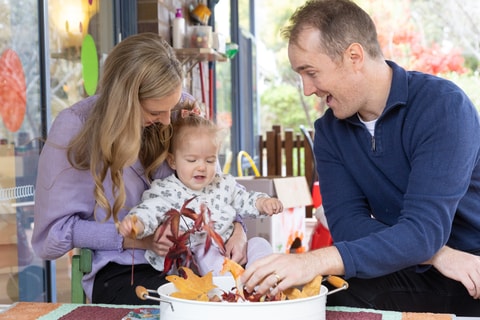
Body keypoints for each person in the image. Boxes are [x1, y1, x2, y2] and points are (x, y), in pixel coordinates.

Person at [241, 0, 480, 316]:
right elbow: (348, 228)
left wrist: (311, 260)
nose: (307, 88)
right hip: (411, 263)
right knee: (327, 295)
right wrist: (438, 254)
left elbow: (424, 230)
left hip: (473, 268)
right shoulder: (329, 132)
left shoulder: (443, 107)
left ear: (354, 57)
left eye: (311, 73)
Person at [31, 32, 249, 305]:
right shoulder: (75, 127)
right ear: (125, 102)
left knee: (251, 294)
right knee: (190, 307)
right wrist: (138, 240)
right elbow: (51, 238)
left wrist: (239, 230)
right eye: (155, 113)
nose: (167, 122)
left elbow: (216, 187)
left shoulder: (179, 107)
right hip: (124, 270)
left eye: (170, 108)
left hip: (196, 264)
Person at [118, 111, 284, 276]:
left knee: (259, 243)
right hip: (196, 263)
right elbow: (149, 211)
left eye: (210, 160)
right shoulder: (166, 190)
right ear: (173, 161)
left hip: (231, 251)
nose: (201, 167)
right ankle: (230, 287)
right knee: (206, 252)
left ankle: (261, 278)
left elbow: (245, 199)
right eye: (192, 160)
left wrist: (263, 203)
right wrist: (136, 224)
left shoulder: (223, 184)